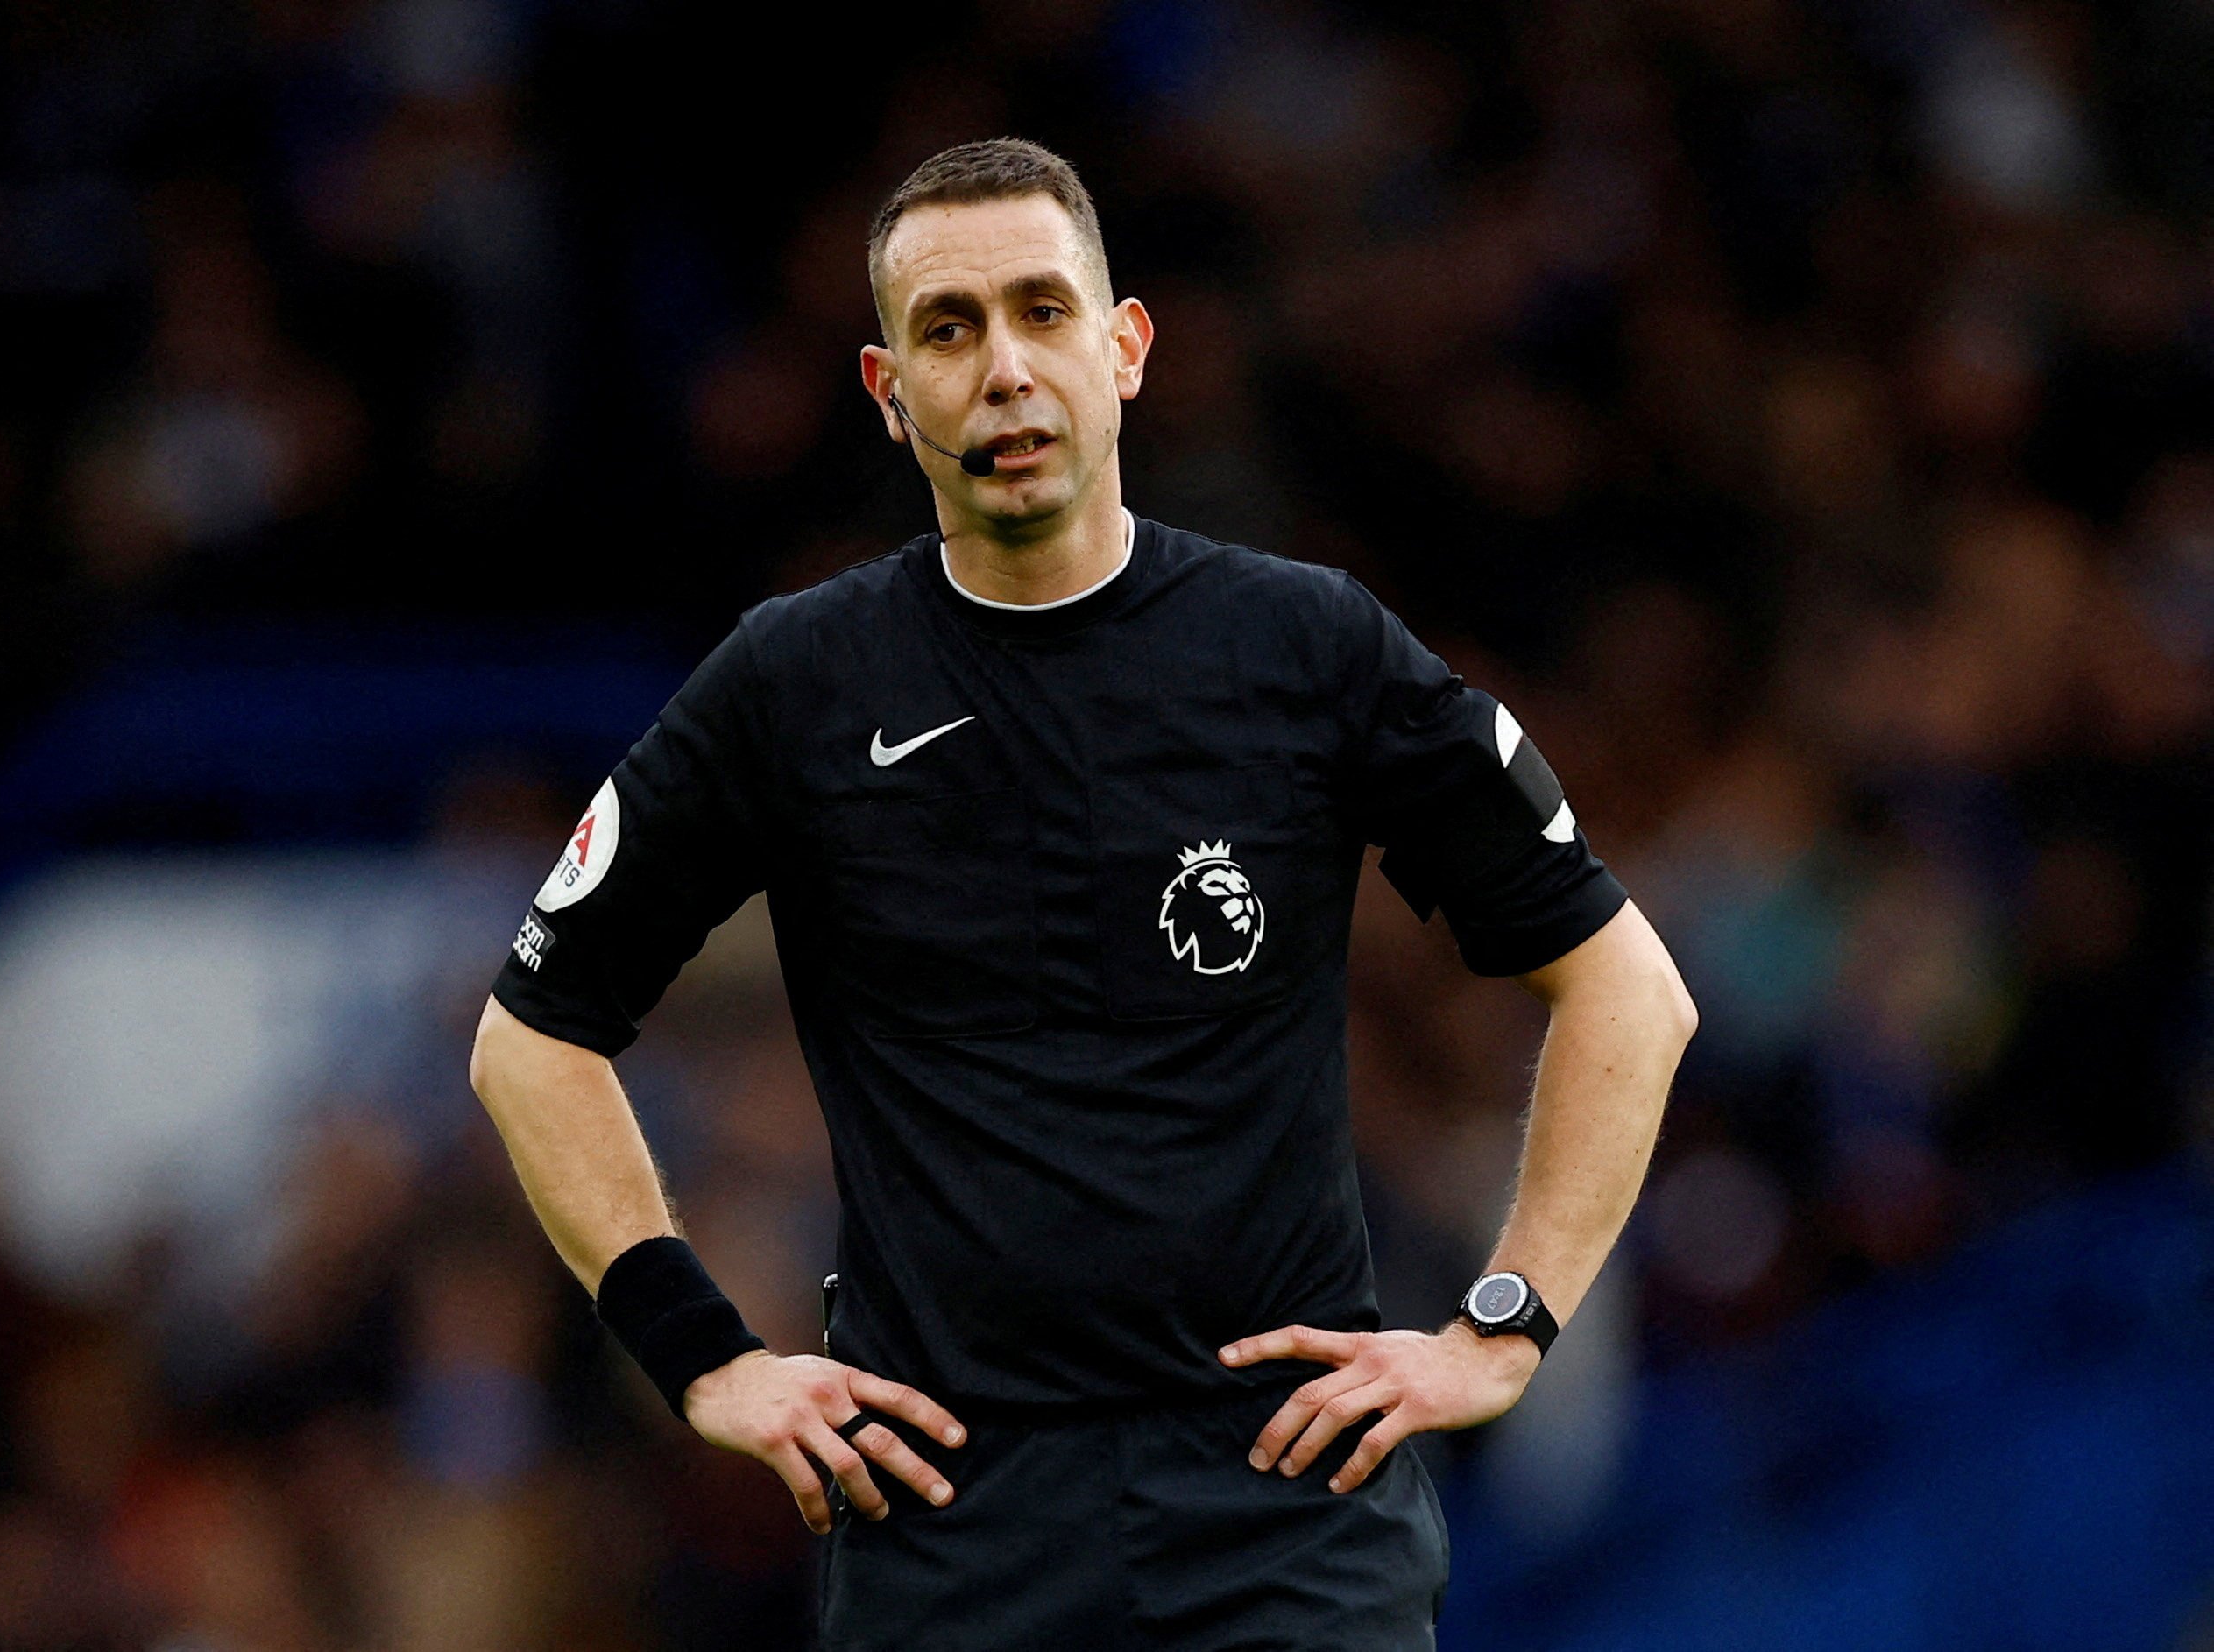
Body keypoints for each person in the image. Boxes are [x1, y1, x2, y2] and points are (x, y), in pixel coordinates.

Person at [469, 138, 1697, 1649]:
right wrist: (706, 1355)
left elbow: (1629, 986)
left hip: (1286, 1519)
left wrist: (1501, 1328)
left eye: (1044, 311)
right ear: (884, 388)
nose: (1003, 369)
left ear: (1126, 350)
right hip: (951, 1534)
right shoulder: (792, 685)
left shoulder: (1307, 650)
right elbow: (531, 1035)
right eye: (948, 326)